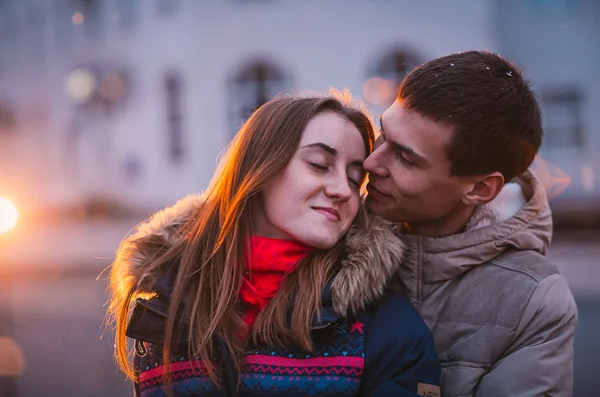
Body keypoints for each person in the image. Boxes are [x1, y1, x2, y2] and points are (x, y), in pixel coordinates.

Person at [108, 90, 441, 397]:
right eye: (318, 165)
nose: (342, 189)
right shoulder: (167, 298)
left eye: (355, 179)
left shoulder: (385, 325)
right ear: (258, 169)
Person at [364, 50, 577, 397]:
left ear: (479, 189)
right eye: (383, 132)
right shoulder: (327, 243)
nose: (372, 162)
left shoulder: (532, 301)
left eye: (405, 157)